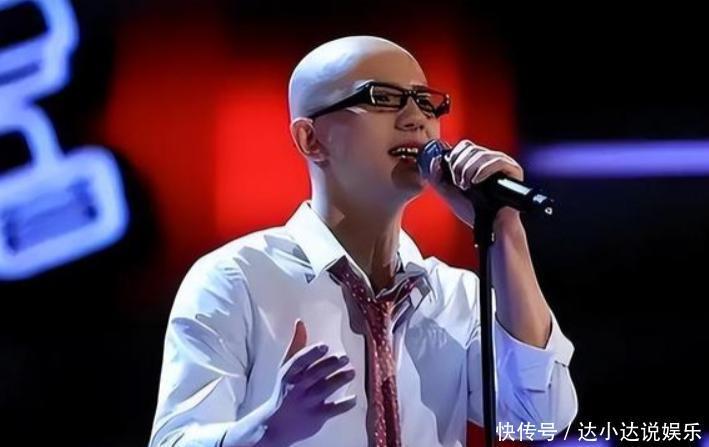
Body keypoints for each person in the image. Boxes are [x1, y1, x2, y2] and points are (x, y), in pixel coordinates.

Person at [149, 35, 577, 447]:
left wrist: (504, 227)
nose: (417, 118)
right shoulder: (236, 280)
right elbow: (174, 440)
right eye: (383, 98)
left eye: (426, 101)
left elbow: (539, 419)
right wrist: (266, 431)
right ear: (310, 139)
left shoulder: (456, 297)